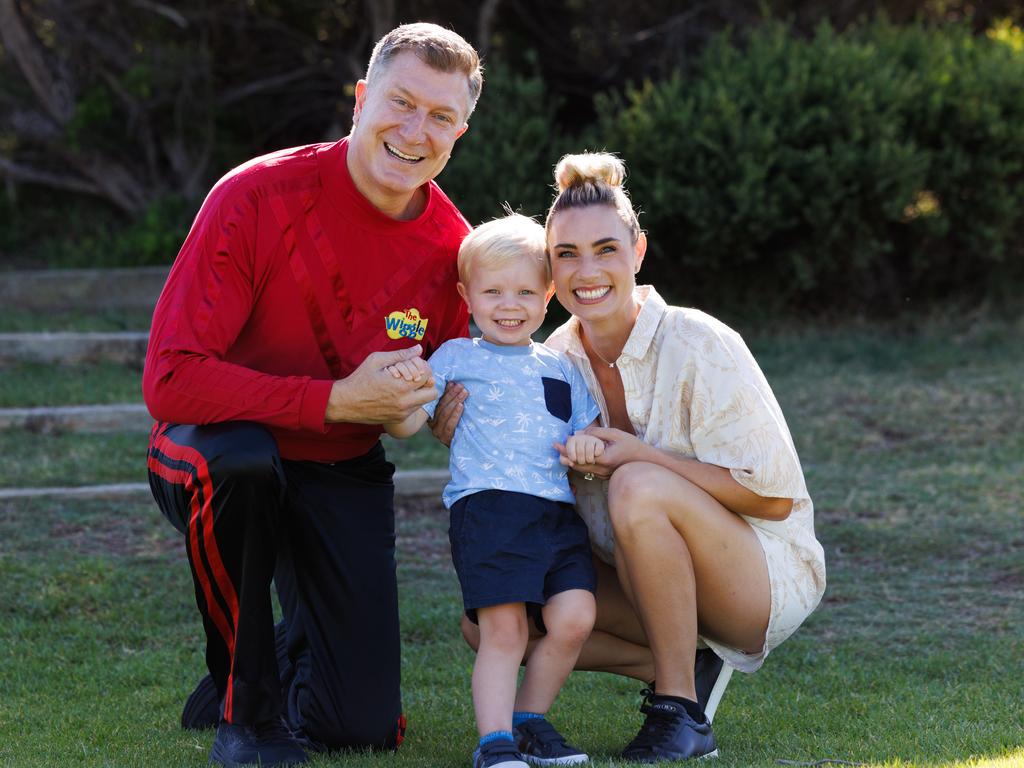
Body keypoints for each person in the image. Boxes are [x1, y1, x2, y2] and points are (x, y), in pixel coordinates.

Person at [142, 23, 482, 768]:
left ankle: (268, 657)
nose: (415, 130)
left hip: (337, 465)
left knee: (358, 727)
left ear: (462, 128)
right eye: (401, 102)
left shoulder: (453, 248)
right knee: (243, 462)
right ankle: (245, 709)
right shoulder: (255, 195)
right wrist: (332, 401)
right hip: (210, 446)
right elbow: (168, 379)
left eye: (440, 116)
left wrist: (445, 411)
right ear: (361, 99)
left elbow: (438, 392)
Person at [441, 152, 827, 762]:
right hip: (642, 581)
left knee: (637, 485)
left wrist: (639, 457)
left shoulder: (699, 339)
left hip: (758, 577)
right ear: (549, 270)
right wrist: (455, 423)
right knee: (491, 619)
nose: (586, 270)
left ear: (638, 251)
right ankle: (681, 661)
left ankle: (679, 710)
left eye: (605, 249)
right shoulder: (554, 360)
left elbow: (773, 497)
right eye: (566, 254)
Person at [383, 214, 602, 768]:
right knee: (503, 631)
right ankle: (495, 743)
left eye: (526, 291)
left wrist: (590, 448)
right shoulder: (457, 357)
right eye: (494, 291)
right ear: (467, 296)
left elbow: (588, 432)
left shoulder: (563, 367)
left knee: (574, 617)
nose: (510, 304)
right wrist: (401, 400)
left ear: (549, 294)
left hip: (556, 514)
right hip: (489, 510)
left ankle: (529, 721)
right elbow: (409, 426)